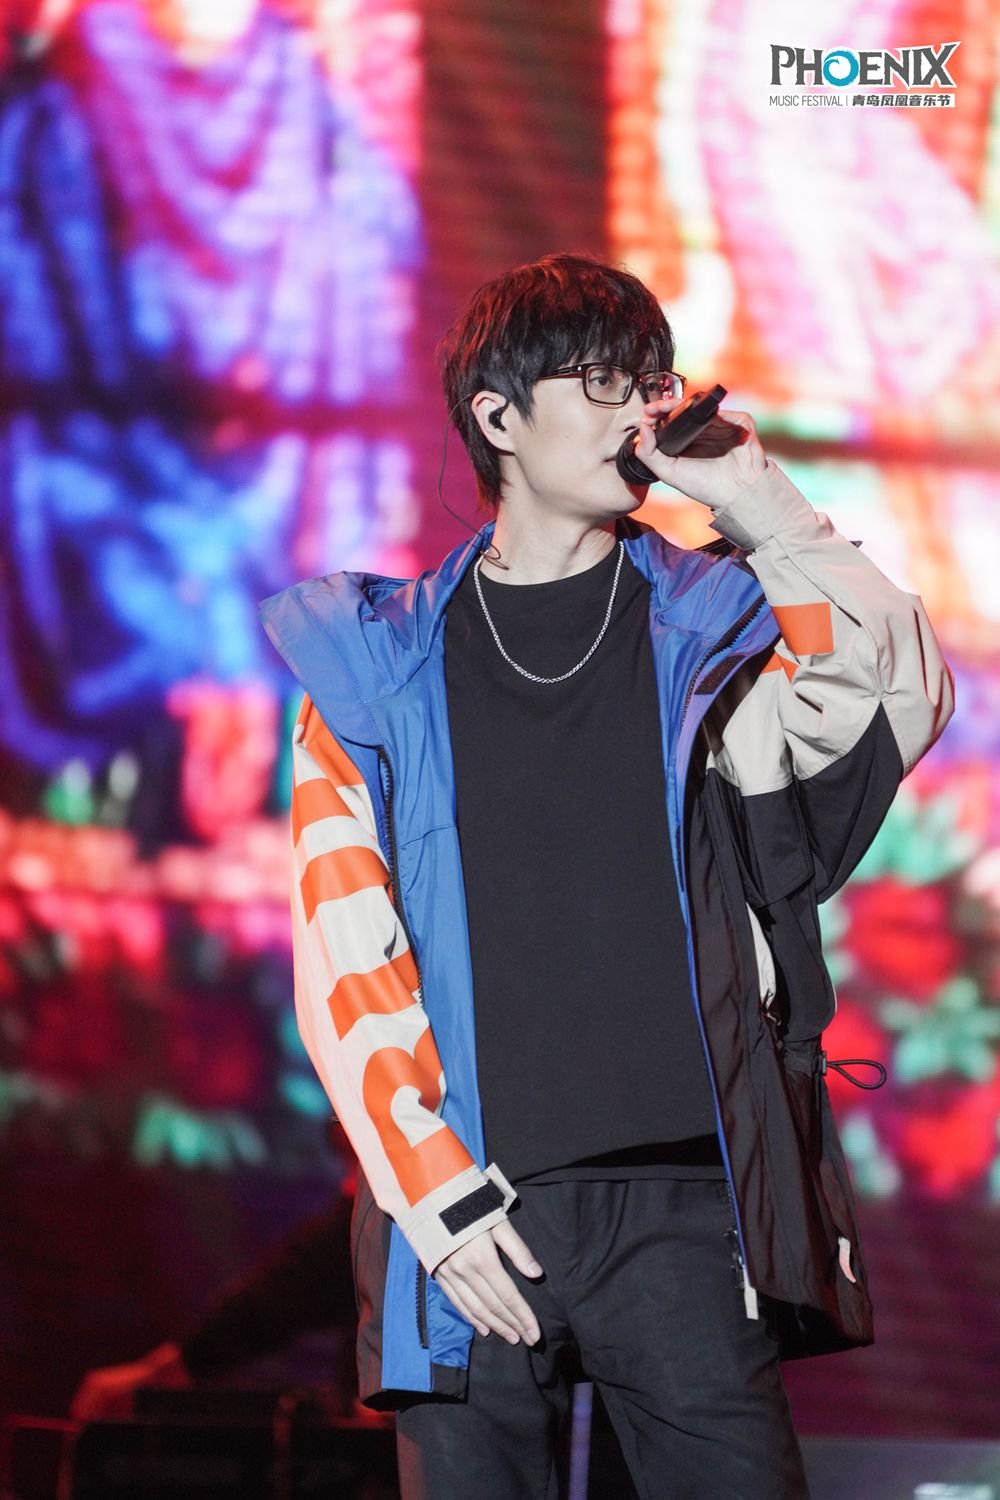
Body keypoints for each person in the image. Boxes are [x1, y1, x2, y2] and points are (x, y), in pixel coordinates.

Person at [258, 252, 954, 1499]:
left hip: (685, 1212)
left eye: (650, 381)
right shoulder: (372, 667)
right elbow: (344, 958)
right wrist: (437, 1203)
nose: (639, 409)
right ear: (498, 417)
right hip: (470, 1212)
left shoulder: (713, 632)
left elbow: (899, 690)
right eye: (600, 382)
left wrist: (756, 500)